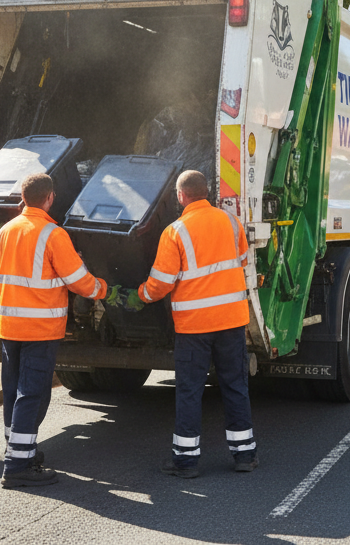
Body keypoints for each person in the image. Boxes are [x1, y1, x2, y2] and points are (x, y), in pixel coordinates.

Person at [128, 169, 255, 478]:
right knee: (235, 385)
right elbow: (241, 258)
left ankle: (186, 461)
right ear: (207, 192)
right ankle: (245, 456)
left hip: (194, 327)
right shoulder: (230, 222)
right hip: (231, 320)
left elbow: (162, 282)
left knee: (189, 391)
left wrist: (141, 296)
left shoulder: (175, 231)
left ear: (181, 196)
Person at [0, 173, 115, 488]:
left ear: (23, 197)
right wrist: (101, 288)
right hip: (40, 327)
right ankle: (18, 466)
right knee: (32, 393)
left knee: (14, 390)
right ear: (50, 198)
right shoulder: (53, 234)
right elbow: (77, 279)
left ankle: (19, 449)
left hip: (9, 325)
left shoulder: (5, 231)